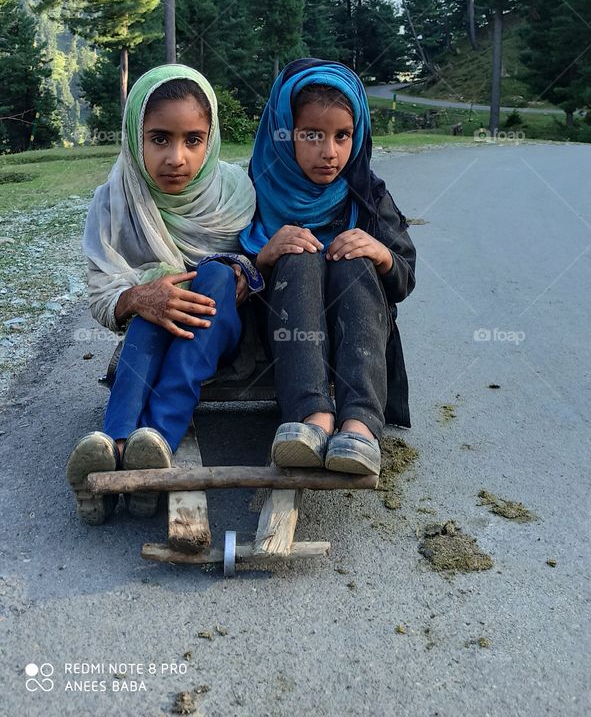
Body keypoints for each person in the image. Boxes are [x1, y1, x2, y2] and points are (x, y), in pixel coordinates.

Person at [66, 64, 260, 524]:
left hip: (221, 334)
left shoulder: (236, 193)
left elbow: (262, 257)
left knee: (209, 275)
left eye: (193, 140)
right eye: (159, 139)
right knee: (155, 293)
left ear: (210, 139)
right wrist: (138, 296)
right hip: (151, 334)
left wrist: (243, 273)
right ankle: (118, 444)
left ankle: (155, 433)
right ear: (136, 137)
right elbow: (102, 292)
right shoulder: (115, 200)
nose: (177, 157)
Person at [240, 59, 416, 477]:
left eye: (342, 136)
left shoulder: (367, 194)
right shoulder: (253, 190)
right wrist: (264, 256)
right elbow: (224, 267)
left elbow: (404, 276)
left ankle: (360, 425)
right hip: (276, 335)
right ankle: (311, 418)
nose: (330, 151)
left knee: (353, 261)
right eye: (312, 135)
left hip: (355, 333)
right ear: (284, 133)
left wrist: (381, 252)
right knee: (298, 255)